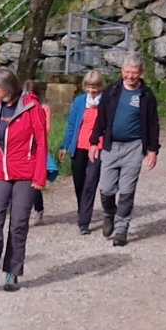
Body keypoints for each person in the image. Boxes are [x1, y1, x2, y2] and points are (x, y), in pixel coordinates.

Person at [0, 68, 47, 292]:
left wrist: (39, 176)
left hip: (26, 173)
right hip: (0, 173)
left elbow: (42, 142)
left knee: (18, 223)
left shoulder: (32, 107)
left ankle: (12, 272)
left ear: (8, 87)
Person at [88, 52, 160, 247]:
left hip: (134, 148)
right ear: (122, 71)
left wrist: (152, 150)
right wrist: (94, 142)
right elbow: (101, 118)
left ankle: (121, 229)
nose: (130, 76)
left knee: (127, 191)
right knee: (106, 188)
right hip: (111, 146)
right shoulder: (112, 91)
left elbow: (153, 124)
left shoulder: (146, 95)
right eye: (127, 72)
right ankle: (109, 214)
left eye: (134, 72)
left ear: (141, 72)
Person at [58, 70, 105, 235]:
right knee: (79, 182)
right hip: (78, 146)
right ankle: (82, 209)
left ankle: (84, 222)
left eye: (95, 87)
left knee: (90, 182)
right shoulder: (79, 101)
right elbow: (72, 124)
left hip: (97, 147)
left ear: (100, 86)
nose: (92, 91)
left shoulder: (106, 101)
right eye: (89, 87)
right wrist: (65, 146)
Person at [25, 80, 57, 225]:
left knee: (34, 181)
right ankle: (22, 212)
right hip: (23, 148)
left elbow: (47, 128)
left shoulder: (44, 108)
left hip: (37, 147)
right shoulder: (20, 107)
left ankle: (38, 209)